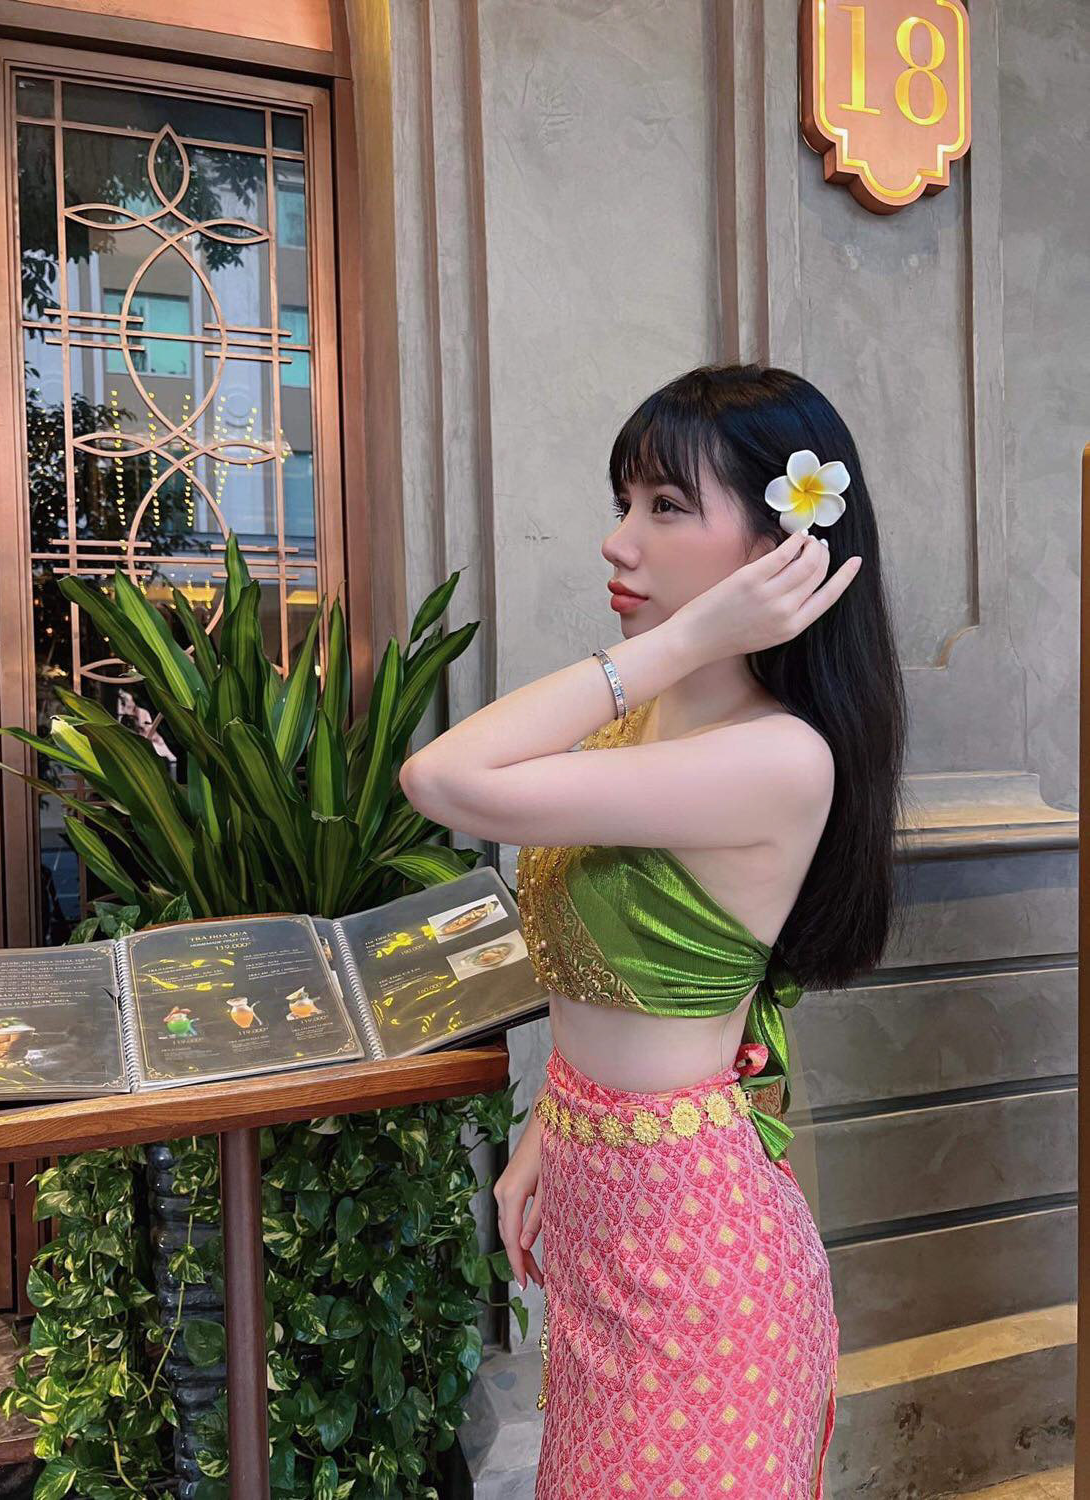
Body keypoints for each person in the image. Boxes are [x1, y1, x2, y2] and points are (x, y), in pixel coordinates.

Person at [399, 362, 908, 1499]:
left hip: (700, 1275)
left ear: (781, 546)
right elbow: (642, 991)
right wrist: (549, 1131)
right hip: (601, 1240)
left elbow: (440, 778)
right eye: (623, 501)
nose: (618, 541)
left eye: (666, 506)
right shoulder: (650, 724)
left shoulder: (777, 757)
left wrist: (678, 643)